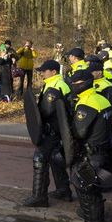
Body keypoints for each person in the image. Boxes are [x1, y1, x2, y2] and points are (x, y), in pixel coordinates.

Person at [68, 69, 112, 222]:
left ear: (83, 84)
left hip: (91, 153)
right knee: (91, 189)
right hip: (104, 150)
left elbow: (79, 132)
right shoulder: (101, 99)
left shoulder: (86, 103)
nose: (73, 86)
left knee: (88, 189)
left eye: (75, 83)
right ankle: (90, 216)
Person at [19, 60, 73, 207]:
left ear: (54, 72)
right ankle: (63, 190)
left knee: (40, 158)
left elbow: (46, 111)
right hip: (59, 130)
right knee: (55, 159)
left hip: (53, 131)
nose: (41, 73)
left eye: (44, 70)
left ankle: (39, 197)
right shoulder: (55, 83)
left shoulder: (55, 87)